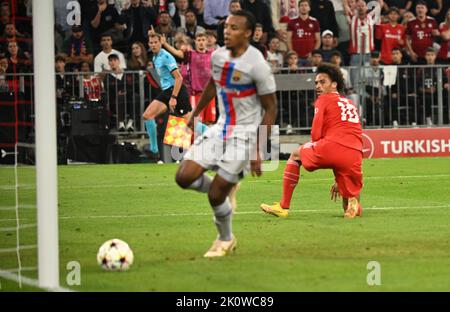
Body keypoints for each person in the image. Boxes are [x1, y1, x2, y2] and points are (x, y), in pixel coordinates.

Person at [175, 10, 277, 257]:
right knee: (184, 177)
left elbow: (271, 108)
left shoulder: (258, 65)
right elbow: (213, 83)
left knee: (214, 194)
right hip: (220, 128)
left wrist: (258, 149)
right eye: (226, 27)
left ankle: (225, 239)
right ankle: (228, 187)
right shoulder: (219, 56)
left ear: (248, 33)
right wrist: (196, 113)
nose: (226, 31)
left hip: (245, 135)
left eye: (234, 28)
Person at [260, 62, 363, 219]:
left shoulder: (323, 99)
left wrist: (323, 148)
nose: (318, 86)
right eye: (316, 82)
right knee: (346, 204)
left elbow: (315, 135)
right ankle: (353, 203)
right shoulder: (350, 103)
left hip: (333, 147)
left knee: (295, 155)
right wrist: (340, 175)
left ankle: (283, 207)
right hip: (355, 153)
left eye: (323, 82)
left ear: (334, 84)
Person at [142, 32, 192, 156]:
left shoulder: (166, 56)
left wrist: (174, 97)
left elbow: (179, 78)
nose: (153, 45)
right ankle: (154, 149)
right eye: (151, 42)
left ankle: (217, 139)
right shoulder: (155, 57)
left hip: (177, 92)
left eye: (156, 42)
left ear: (161, 43)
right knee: (147, 115)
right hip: (167, 92)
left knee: (190, 123)